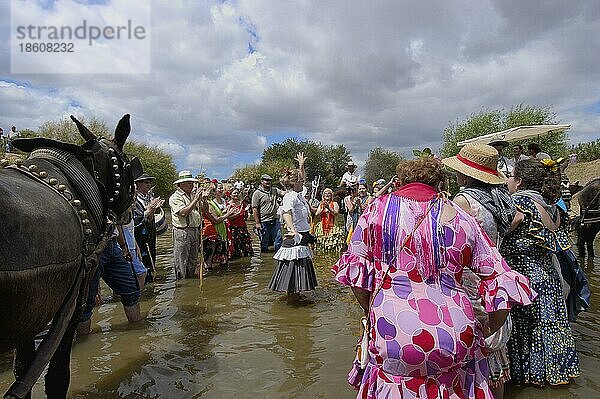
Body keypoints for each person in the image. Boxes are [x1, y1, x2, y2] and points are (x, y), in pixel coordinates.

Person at [332, 156, 536, 399]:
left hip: (393, 332)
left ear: (400, 182)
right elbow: (502, 280)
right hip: (455, 333)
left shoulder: (376, 211)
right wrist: (489, 326)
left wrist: (373, 308)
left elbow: (356, 272)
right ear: (441, 184)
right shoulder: (462, 219)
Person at [442, 143, 517, 398]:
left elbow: (450, 240)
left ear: (465, 174)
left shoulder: (463, 200)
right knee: (496, 349)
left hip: (471, 276)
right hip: (496, 272)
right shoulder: (501, 198)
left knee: (475, 343)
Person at [501, 159, 580, 386]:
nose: (509, 180)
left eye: (512, 176)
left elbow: (505, 229)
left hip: (526, 277)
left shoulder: (520, 202)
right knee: (551, 323)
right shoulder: (551, 204)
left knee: (529, 327)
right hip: (549, 275)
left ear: (520, 181)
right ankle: (556, 373)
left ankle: (528, 375)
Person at [269, 152, 317, 301]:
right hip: (295, 238)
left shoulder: (299, 195)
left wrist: (301, 165)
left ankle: (295, 297)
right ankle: (292, 299)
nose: (304, 181)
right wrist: (291, 229)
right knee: (293, 275)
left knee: (297, 277)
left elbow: (301, 177)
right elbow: (286, 212)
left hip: (302, 237)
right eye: (301, 180)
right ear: (295, 183)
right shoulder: (290, 196)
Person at [77, 223, 142, 334]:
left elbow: (118, 222)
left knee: (131, 292)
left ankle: (138, 334)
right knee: (85, 304)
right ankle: (83, 342)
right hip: (89, 246)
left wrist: (123, 245)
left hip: (112, 243)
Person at [169, 171, 204, 279]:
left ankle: (190, 283)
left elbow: (204, 210)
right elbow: (183, 212)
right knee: (181, 262)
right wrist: (195, 200)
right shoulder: (175, 197)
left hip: (195, 230)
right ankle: (181, 285)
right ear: (181, 184)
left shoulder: (192, 195)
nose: (192, 185)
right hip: (182, 231)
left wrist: (204, 198)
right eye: (189, 183)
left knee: (193, 260)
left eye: (192, 183)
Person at [133, 173, 164, 284]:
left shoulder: (147, 198)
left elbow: (149, 219)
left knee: (151, 259)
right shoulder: (135, 199)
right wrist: (150, 209)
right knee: (141, 262)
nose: (149, 184)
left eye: (150, 182)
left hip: (148, 235)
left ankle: (150, 284)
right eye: (146, 182)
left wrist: (154, 209)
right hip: (137, 237)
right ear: (138, 184)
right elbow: (136, 220)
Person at [203, 182, 235, 269]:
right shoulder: (209, 203)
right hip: (212, 232)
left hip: (218, 231)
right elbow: (215, 220)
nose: (210, 192)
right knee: (210, 258)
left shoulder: (210, 202)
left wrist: (226, 211)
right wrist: (228, 214)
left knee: (221, 257)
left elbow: (217, 214)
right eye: (210, 190)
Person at [252, 174, 285, 252]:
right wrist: (257, 223)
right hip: (264, 221)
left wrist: (291, 188)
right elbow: (254, 209)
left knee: (279, 240)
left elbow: (284, 193)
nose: (268, 182)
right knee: (264, 243)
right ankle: (264, 260)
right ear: (262, 181)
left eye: (269, 180)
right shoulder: (257, 193)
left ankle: (279, 259)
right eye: (266, 180)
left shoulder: (274, 190)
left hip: (275, 220)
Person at [227, 188, 254, 258]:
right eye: (234, 193)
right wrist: (238, 213)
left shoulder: (242, 204)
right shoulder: (228, 204)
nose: (236, 194)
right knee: (235, 246)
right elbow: (229, 218)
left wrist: (245, 211)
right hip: (233, 228)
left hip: (242, 227)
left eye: (237, 193)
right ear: (230, 195)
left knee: (246, 246)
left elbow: (245, 217)